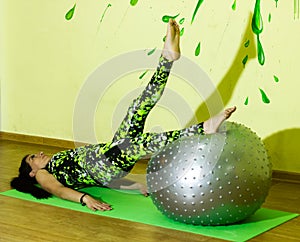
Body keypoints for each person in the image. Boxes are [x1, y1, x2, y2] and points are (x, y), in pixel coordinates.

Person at [11, 19, 236, 212]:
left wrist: (133, 186)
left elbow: (102, 179)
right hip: (107, 162)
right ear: (32, 173)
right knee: (138, 144)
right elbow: (57, 190)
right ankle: (202, 129)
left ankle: (168, 58)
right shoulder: (43, 175)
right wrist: (85, 199)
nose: (39, 154)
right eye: (33, 158)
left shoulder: (56, 162)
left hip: (109, 154)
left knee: (137, 107)